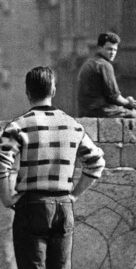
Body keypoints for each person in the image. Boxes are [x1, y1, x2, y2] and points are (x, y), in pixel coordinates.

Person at [0, 66, 106, 269]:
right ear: (53, 91)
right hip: (63, 207)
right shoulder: (73, 126)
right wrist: (73, 196)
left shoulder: (18, 126)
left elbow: (2, 161)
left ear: (28, 92)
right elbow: (97, 163)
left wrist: (6, 197)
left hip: (31, 206)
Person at [77, 32, 136, 118]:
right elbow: (114, 96)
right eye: (109, 49)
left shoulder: (89, 63)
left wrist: (125, 101)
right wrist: (128, 102)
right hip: (98, 110)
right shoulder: (104, 65)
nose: (113, 53)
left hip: (84, 111)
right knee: (135, 115)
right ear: (100, 48)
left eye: (115, 50)